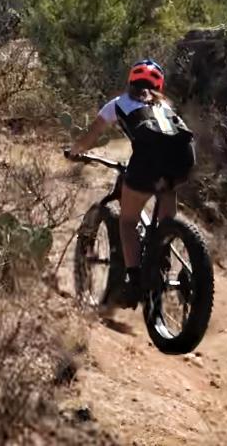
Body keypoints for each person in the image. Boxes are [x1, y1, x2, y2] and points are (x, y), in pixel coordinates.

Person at [69, 59, 195, 308]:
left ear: (131, 81)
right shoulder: (166, 106)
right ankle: (166, 263)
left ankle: (135, 281)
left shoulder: (118, 105)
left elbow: (92, 136)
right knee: (167, 225)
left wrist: (75, 151)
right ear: (159, 84)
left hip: (145, 165)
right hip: (180, 164)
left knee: (127, 222)